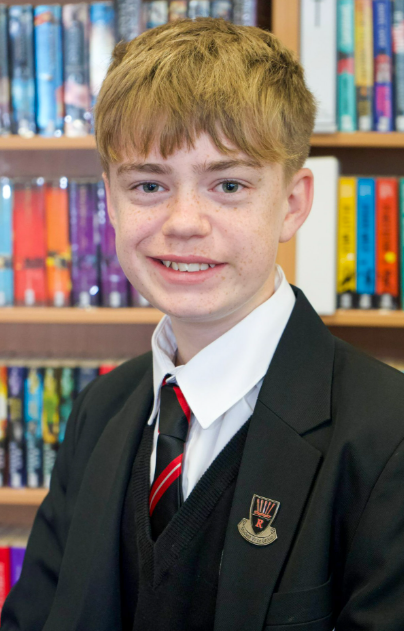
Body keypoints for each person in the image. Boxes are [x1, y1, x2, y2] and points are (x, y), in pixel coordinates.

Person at [2, 17, 404, 631]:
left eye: (229, 184)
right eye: (148, 185)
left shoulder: (389, 436)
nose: (184, 222)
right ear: (110, 201)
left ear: (292, 203)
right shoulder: (99, 410)